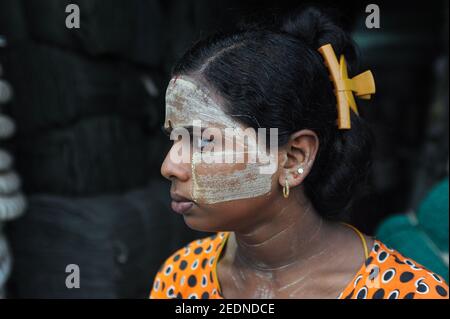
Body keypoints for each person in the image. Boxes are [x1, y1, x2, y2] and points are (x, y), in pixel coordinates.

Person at [150, 7, 449, 299]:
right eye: (174, 138)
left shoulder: (405, 292)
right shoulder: (181, 276)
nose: (170, 166)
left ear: (294, 158)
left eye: (203, 141)